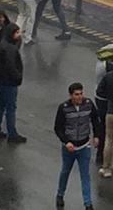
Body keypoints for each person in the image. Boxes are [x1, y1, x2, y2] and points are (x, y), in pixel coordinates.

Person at [56, 82, 101, 210]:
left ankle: (88, 203)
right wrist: (66, 141)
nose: (79, 97)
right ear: (71, 95)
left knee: (85, 175)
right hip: (69, 148)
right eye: (76, 94)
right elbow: (58, 128)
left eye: (81, 93)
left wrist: (96, 135)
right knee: (65, 171)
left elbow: (95, 120)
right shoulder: (64, 108)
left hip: (84, 146)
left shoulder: (88, 104)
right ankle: (60, 194)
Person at [0, 23, 26, 144]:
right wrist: (18, 77)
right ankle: (12, 133)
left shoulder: (3, 45)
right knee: (11, 108)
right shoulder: (10, 49)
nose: (19, 35)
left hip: (1, 80)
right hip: (9, 82)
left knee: (1, 104)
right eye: (17, 33)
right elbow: (11, 66)